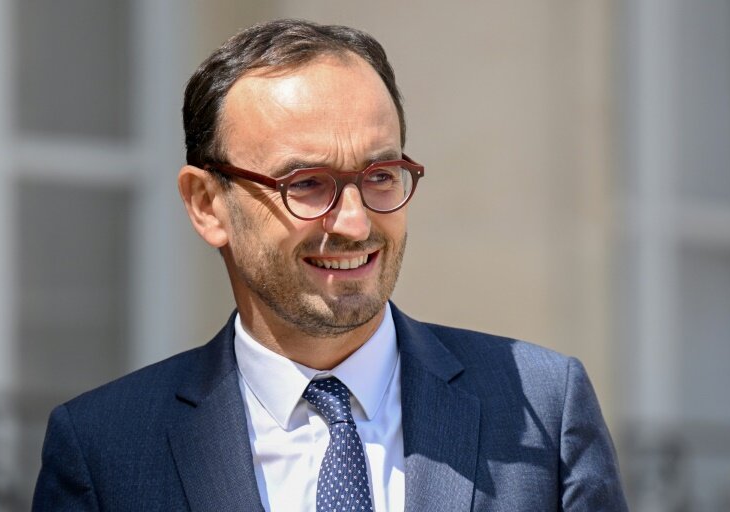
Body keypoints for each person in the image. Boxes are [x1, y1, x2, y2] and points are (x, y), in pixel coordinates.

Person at [32, 19, 628, 511]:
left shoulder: (541, 409)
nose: (356, 223)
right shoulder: (105, 451)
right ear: (207, 205)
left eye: (380, 176)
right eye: (309, 183)